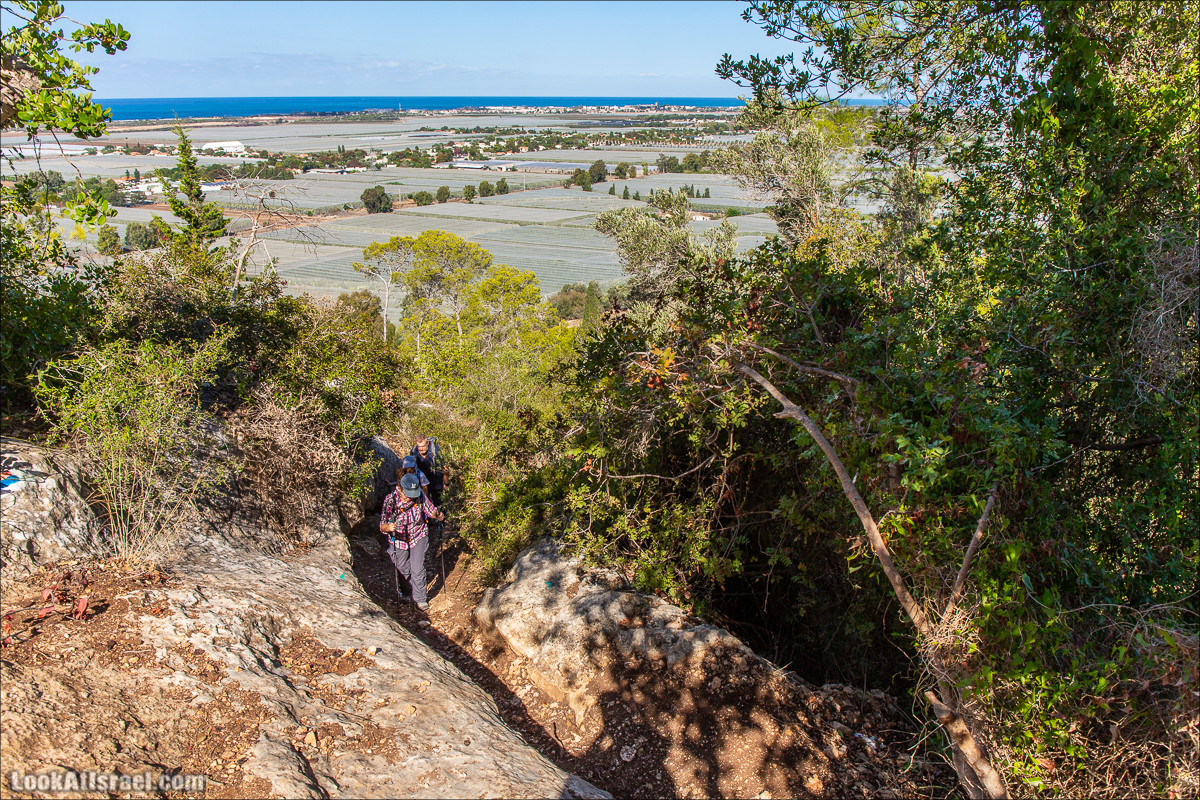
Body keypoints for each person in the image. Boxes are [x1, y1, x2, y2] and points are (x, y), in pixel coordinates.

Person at [380, 471, 443, 610]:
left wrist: (436, 515)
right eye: (408, 494)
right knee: (402, 567)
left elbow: (429, 509)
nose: (410, 497)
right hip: (398, 539)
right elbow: (382, 524)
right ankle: (407, 591)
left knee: (417, 567)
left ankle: (420, 598)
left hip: (418, 534)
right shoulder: (390, 500)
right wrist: (388, 528)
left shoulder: (419, 496)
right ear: (400, 488)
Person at [410, 435, 445, 506]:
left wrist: (446, 483)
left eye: (423, 446)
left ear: (427, 443)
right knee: (424, 505)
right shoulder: (413, 452)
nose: (421, 449)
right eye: (419, 447)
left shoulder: (435, 450)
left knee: (440, 504)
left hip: (436, 483)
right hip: (422, 484)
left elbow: (444, 467)